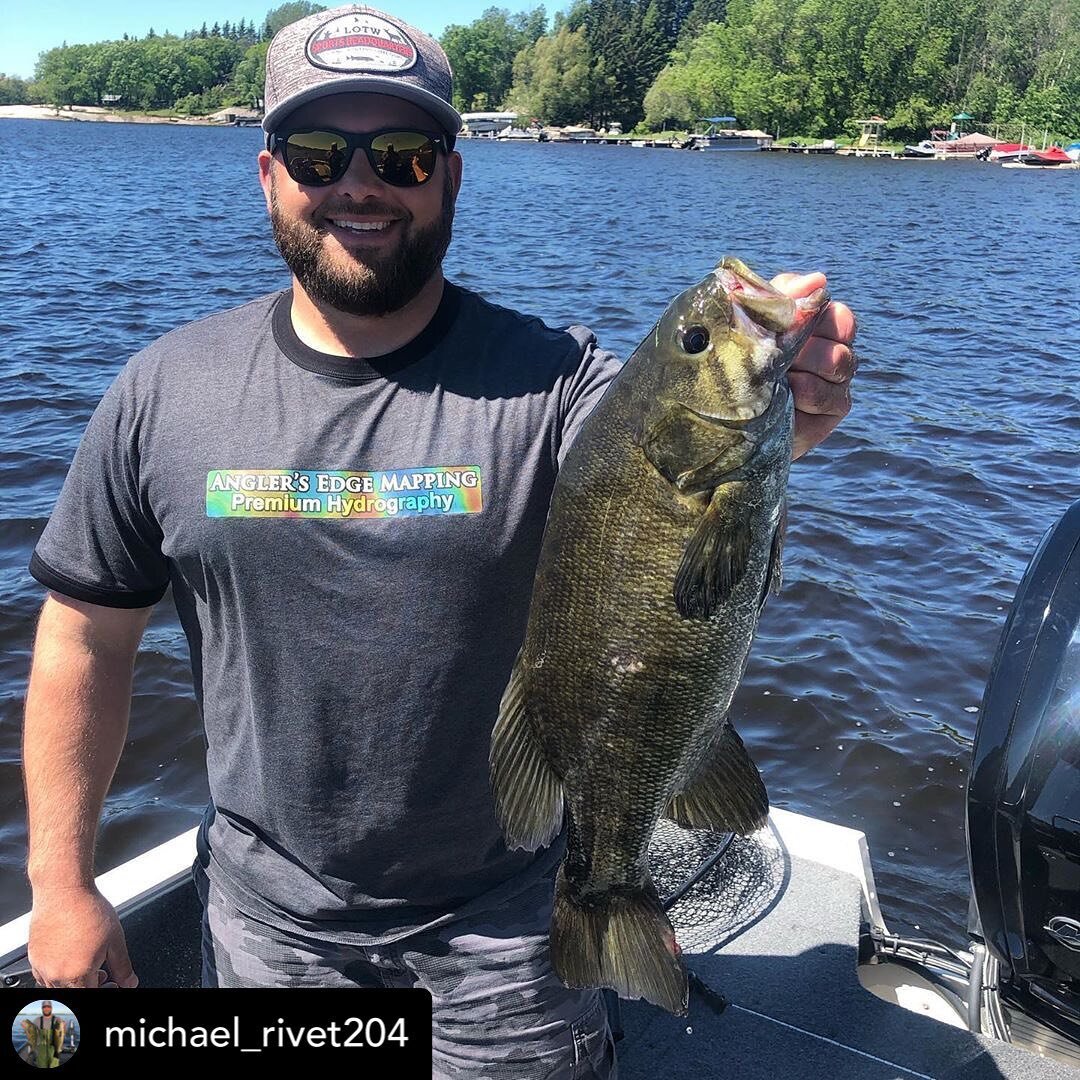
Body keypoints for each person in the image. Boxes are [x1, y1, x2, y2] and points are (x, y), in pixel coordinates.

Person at [21, 4, 857, 1077]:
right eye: (322, 154)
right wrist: (62, 884)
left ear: (452, 177)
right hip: (269, 930)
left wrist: (795, 408)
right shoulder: (160, 392)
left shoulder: (559, 384)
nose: (361, 184)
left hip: (507, 932)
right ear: (268, 174)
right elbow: (84, 639)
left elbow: (661, 470)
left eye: (403, 155)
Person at [20, 1000, 66, 1068]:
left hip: (53, 1049)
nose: (46, 1008)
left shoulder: (57, 1020)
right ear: (42, 1008)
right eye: (44, 1007)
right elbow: (31, 1034)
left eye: (48, 1006)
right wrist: (26, 1029)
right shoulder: (37, 1020)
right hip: (41, 1051)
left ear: (51, 1008)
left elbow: (62, 1035)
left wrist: (64, 1027)